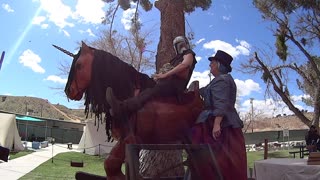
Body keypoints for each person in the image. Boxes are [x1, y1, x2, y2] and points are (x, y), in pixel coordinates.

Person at [106, 36, 197, 118]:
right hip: (165, 81)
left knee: (150, 92)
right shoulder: (175, 59)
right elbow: (166, 69)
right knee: (142, 80)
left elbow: (185, 65)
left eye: (182, 44)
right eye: (178, 45)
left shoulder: (189, 53)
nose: (181, 47)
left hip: (175, 86)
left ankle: (122, 108)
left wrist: (165, 75)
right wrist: (158, 76)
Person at [191, 50, 247, 180]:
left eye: (213, 63)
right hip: (220, 120)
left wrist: (217, 124)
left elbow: (221, 103)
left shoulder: (222, 80)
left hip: (222, 124)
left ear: (219, 65)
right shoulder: (219, 80)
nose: (210, 65)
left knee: (219, 160)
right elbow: (206, 92)